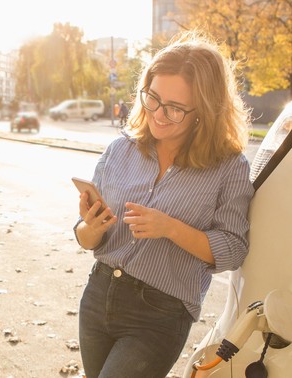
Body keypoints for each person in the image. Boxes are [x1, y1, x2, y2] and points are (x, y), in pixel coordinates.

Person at [73, 32, 254, 378]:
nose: (158, 114)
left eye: (174, 108)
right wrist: (89, 229)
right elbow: (85, 240)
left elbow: (233, 250)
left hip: (158, 315)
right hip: (98, 297)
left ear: (204, 109)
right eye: (152, 98)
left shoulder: (230, 167)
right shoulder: (120, 149)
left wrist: (170, 228)